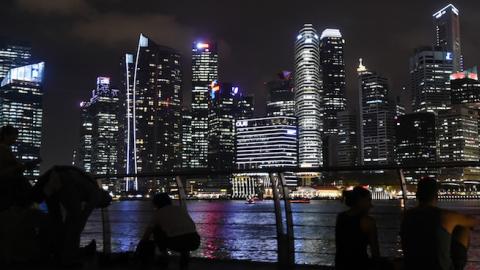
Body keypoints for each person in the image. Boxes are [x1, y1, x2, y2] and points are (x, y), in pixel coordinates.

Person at [31, 165, 112, 266]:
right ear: (103, 200)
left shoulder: (89, 184)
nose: (97, 207)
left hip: (52, 181)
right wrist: (77, 229)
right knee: (73, 222)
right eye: (100, 206)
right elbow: (83, 216)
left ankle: (56, 252)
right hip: (65, 183)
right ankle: (67, 257)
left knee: (56, 220)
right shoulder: (97, 195)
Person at [401, 177, 478, 270]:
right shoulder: (445, 216)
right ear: (436, 196)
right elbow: (473, 222)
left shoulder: (407, 216)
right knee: (463, 228)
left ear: (417, 195)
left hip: (412, 266)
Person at [141, 193, 200, 270]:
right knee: (184, 236)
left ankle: (164, 257)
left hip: (177, 243)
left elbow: (147, 233)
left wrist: (142, 244)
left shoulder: (158, 213)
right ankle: (184, 261)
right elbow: (192, 226)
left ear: (156, 203)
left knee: (156, 230)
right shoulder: (180, 209)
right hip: (195, 240)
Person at [335, 186, 380, 270]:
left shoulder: (340, 217)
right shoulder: (368, 222)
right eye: (369, 200)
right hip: (360, 264)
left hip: (341, 263)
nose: (371, 205)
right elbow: (375, 251)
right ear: (360, 201)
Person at [0, 125, 40, 211]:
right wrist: (19, 167)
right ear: (6, 136)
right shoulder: (3, 149)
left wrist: (24, 166)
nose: (15, 140)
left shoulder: (6, 149)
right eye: (13, 137)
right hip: (7, 184)